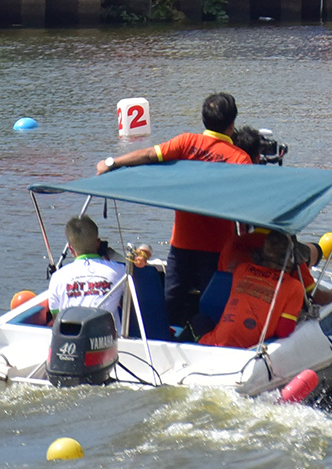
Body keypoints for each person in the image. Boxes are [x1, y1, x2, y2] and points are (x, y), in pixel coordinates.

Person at [94, 93, 252, 328]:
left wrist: (111, 163)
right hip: (218, 248)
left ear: (204, 120)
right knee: (210, 307)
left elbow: (148, 155)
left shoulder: (186, 142)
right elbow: (245, 211)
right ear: (232, 123)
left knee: (171, 303)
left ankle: (162, 341)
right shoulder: (241, 159)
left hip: (182, 245)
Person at [46, 216, 151, 326]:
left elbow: (57, 318)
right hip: (110, 339)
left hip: (71, 338)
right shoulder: (120, 270)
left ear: (71, 248)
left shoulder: (57, 277)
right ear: (98, 243)